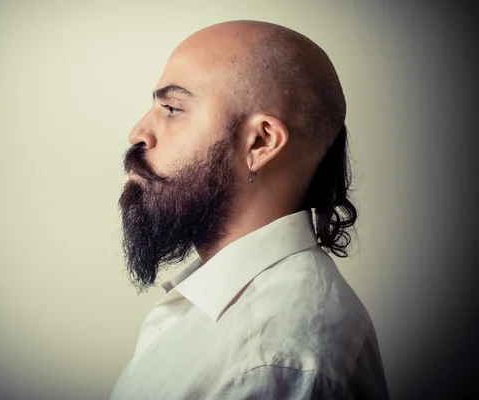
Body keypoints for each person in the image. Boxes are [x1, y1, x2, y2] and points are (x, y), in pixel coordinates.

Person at [112, 20, 390, 399]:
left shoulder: (268, 361)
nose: (138, 133)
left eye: (172, 108)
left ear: (260, 143)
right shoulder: (228, 310)